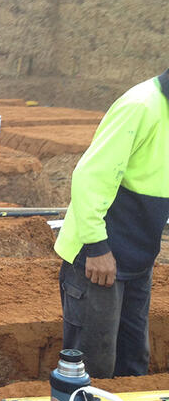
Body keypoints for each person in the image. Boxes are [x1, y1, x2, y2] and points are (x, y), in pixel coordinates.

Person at [55, 68, 169, 378]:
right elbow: (90, 177)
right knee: (93, 365)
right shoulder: (141, 106)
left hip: (138, 258)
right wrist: (96, 246)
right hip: (99, 259)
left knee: (133, 362)